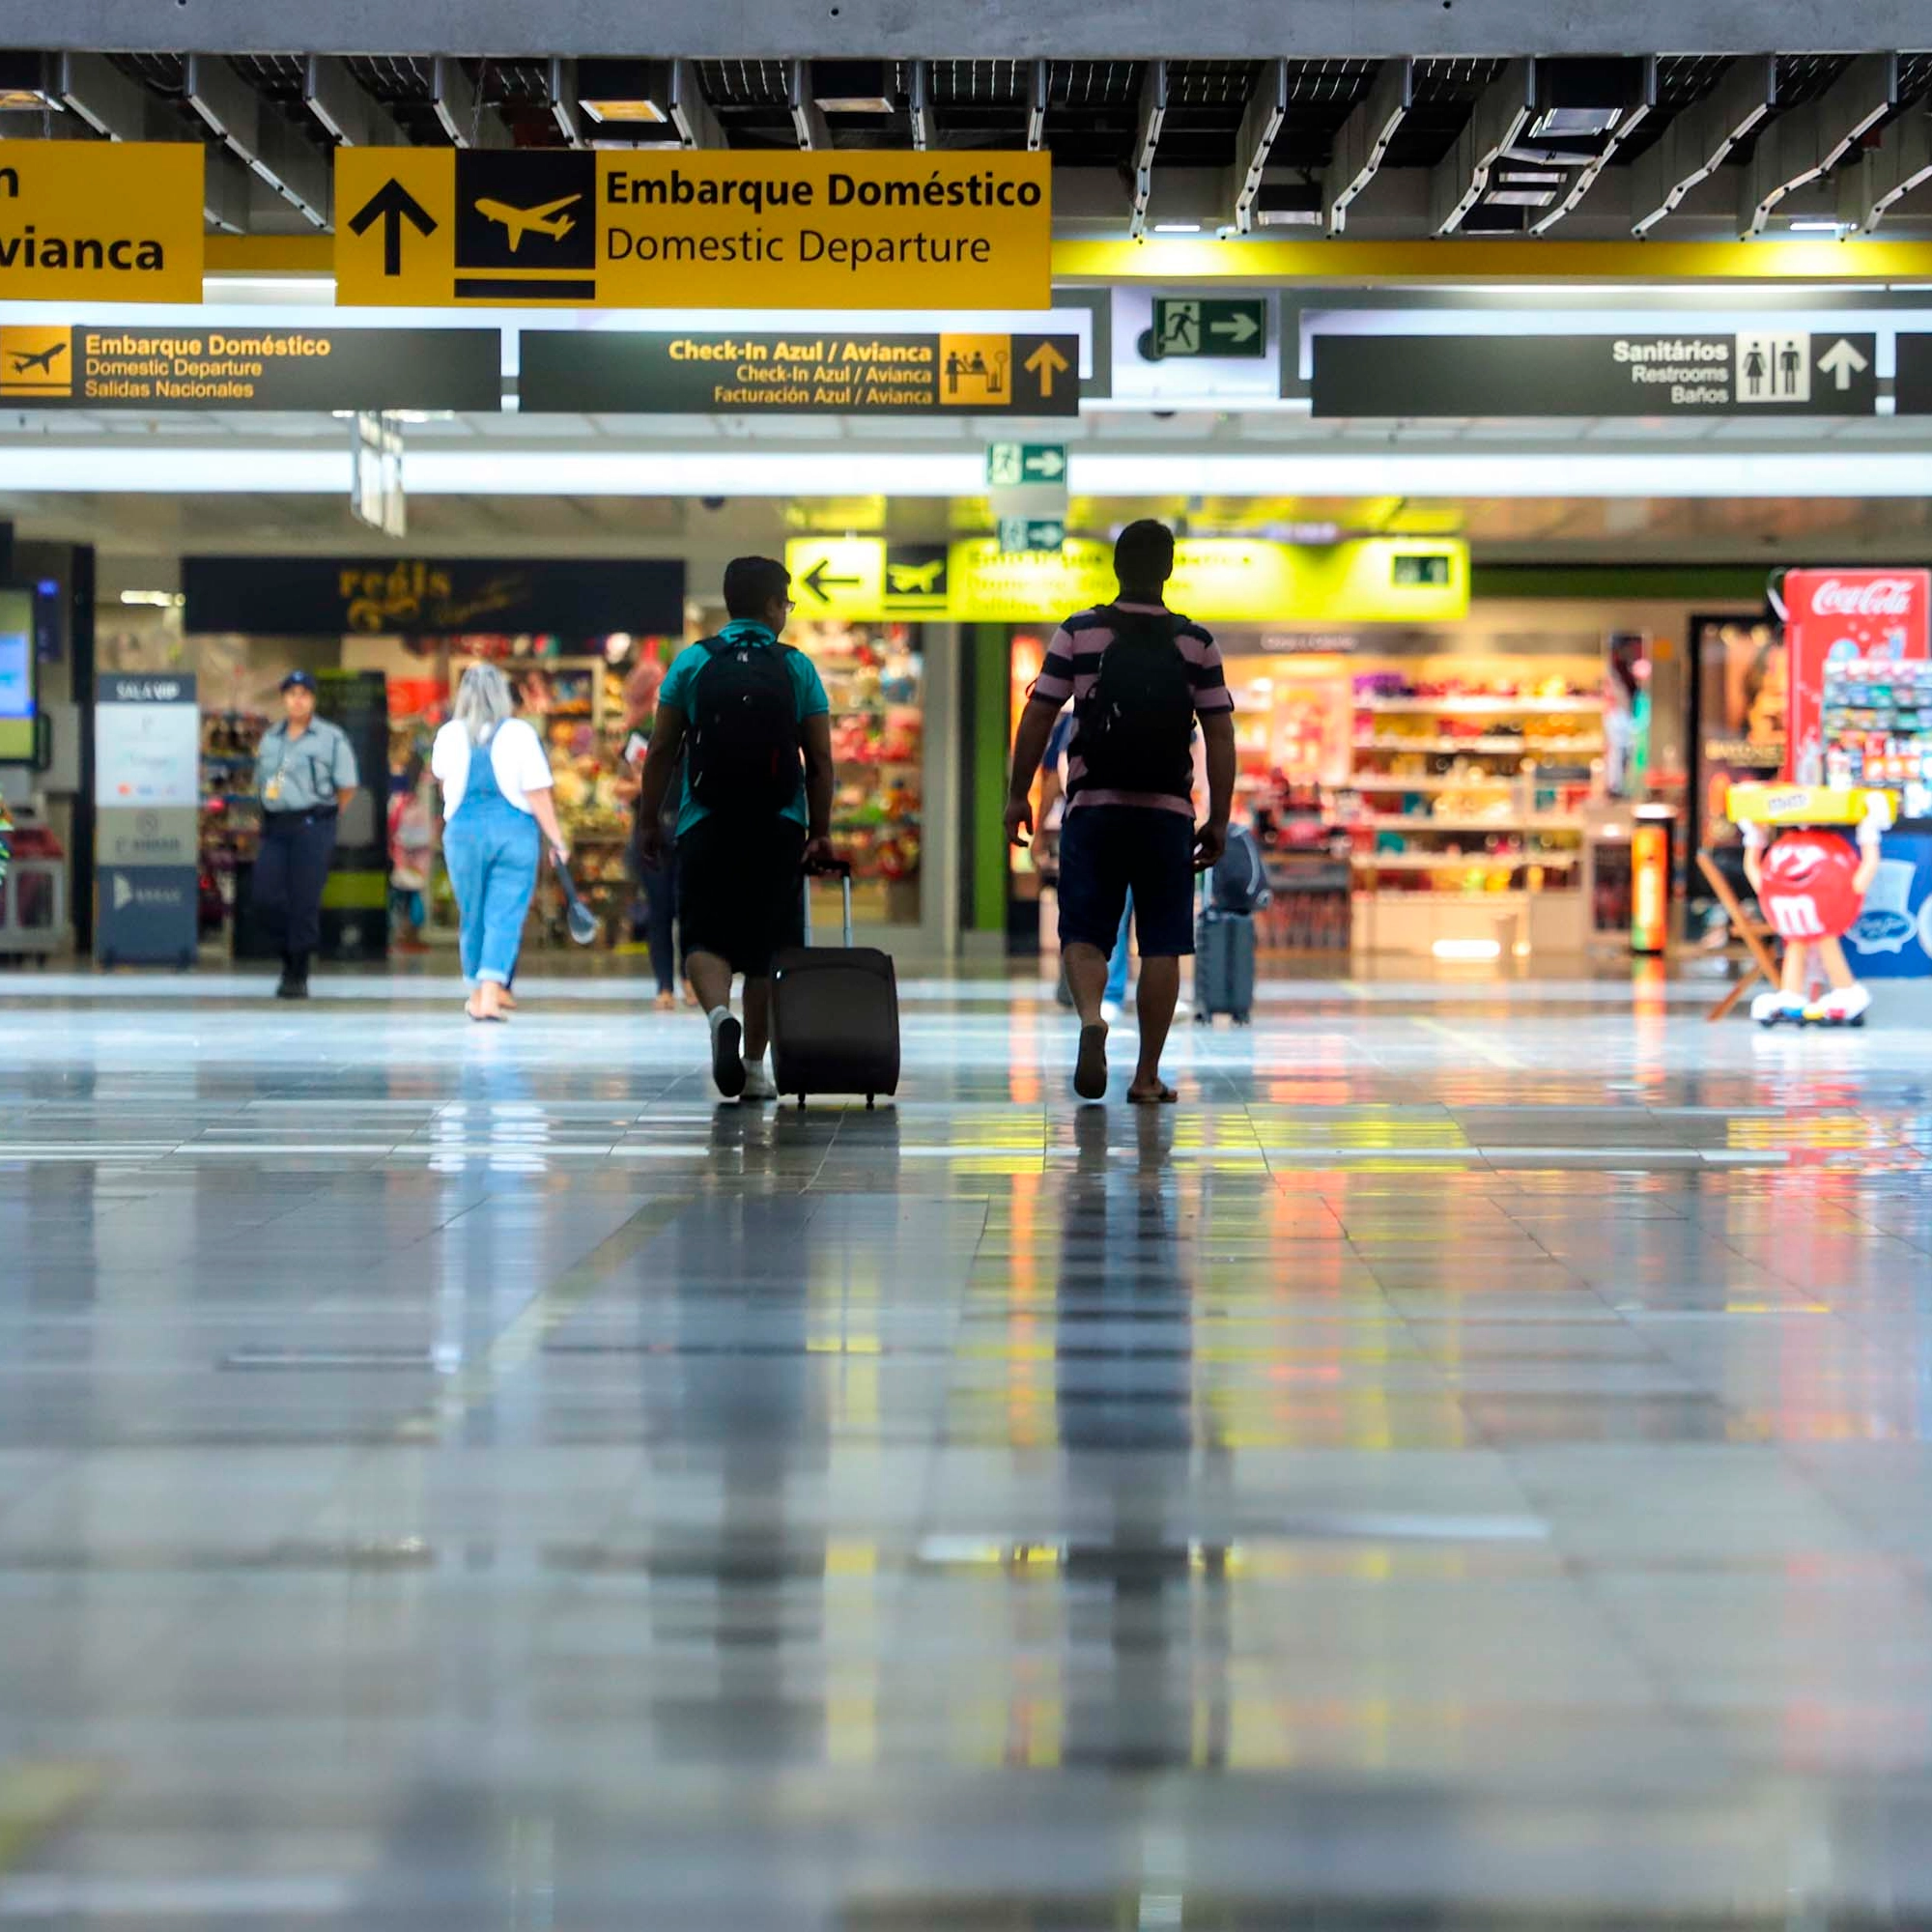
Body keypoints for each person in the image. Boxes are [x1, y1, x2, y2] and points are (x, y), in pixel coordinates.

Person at [1005, 519, 1236, 1104]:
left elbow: (1039, 716)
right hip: (1165, 815)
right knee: (1161, 943)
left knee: (1083, 932)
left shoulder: (1079, 632)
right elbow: (1220, 733)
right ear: (1168, 569)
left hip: (1095, 808)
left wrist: (1018, 795)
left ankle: (1091, 1020)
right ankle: (1147, 1076)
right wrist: (1219, 817)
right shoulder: (1196, 642)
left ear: (1116, 568)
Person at [633, 556, 837, 1101]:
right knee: (769, 951)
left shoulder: (694, 662)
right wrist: (820, 831)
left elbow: (659, 751)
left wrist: (650, 819)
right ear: (772, 605)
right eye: (786, 604)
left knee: (704, 936)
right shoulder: (796, 667)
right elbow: (819, 757)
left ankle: (720, 1015)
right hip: (778, 825)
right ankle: (753, 1068)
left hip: (706, 821)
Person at [431, 662, 570, 1023]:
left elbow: (445, 787)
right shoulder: (520, 733)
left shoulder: (448, 734)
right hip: (514, 833)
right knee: (504, 915)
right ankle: (491, 996)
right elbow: (538, 792)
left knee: (472, 912)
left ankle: (477, 994)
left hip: (463, 833)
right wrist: (556, 839)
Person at [253, 669, 358, 1000]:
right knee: (264, 896)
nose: (297, 700)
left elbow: (348, 786)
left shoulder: (330, 737)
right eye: (291, 694)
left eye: (304, 694)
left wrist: (325, 817)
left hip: (313, 823)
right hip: (276, 822)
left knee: (304, 899)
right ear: (284, 699)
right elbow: (263, 779)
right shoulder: (271, 737)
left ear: (313, 700)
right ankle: (286, 953)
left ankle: (297, 971)